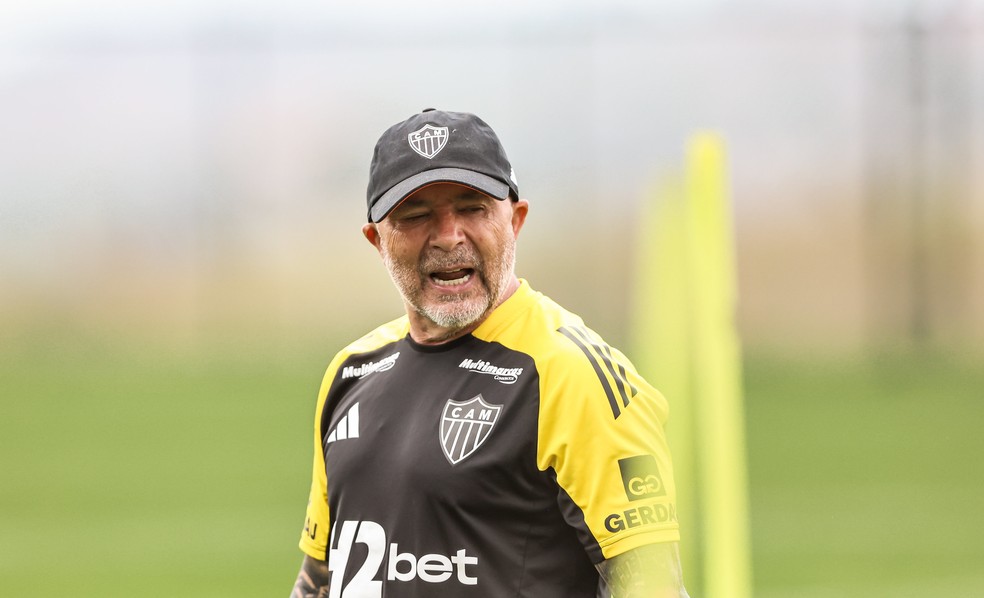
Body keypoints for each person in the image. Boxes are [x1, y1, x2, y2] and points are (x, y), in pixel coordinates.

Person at [289, 109, 689, 597]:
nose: (448, 235)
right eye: (416, 216)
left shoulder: (569, 374)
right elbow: (320, 579)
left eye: (472, 207)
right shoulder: (351, 372)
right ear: (377, 240)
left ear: (515, 221)